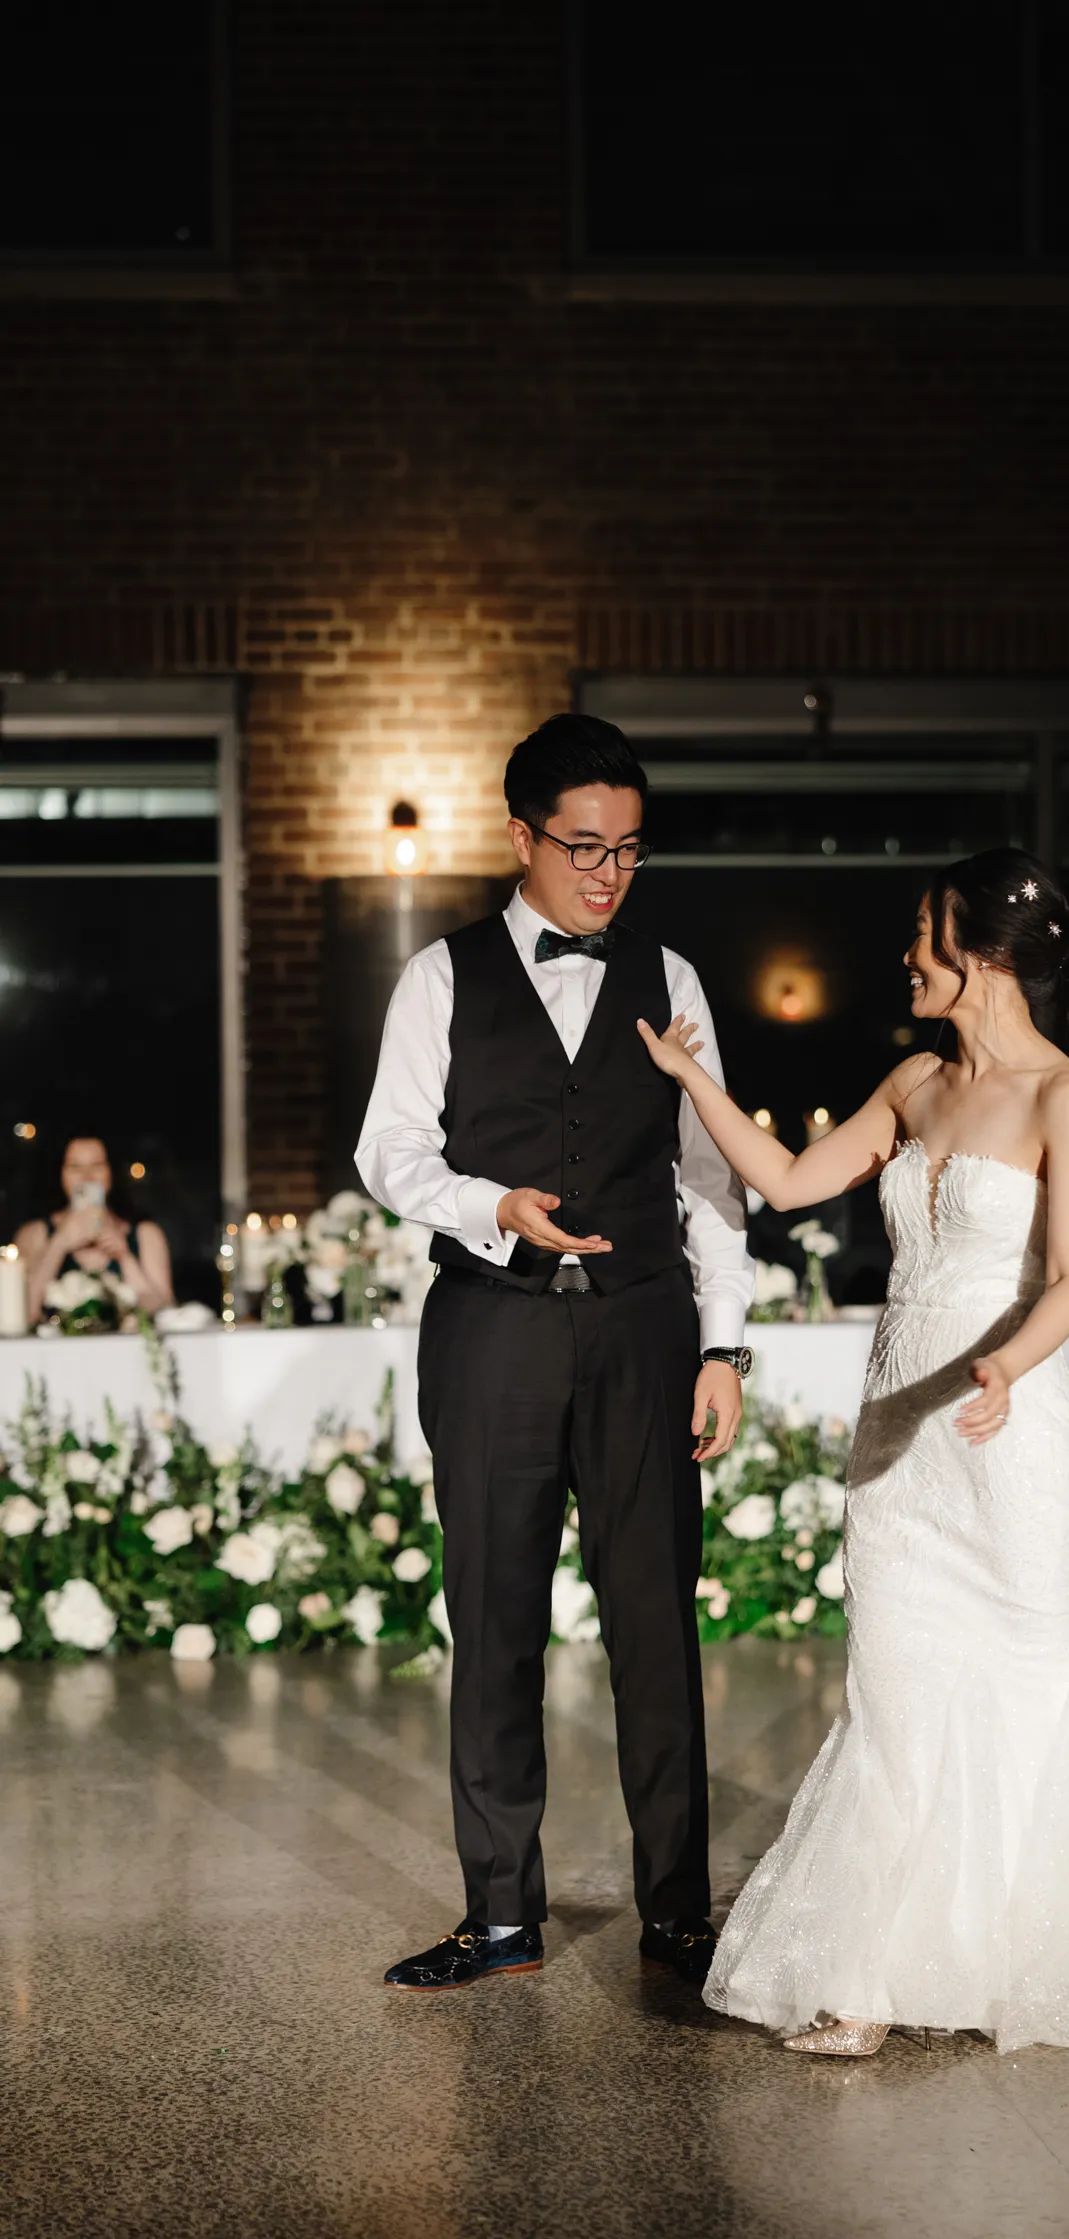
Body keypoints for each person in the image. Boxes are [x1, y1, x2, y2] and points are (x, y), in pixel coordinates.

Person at [638, 848, 1069, 2056]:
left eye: (922, 932)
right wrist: (697, 1082)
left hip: (1002, 1434)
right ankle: (864, 1981)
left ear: (980, 955)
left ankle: (1000, 1961)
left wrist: (1008, 1364)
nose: (904, 953)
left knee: (1012, 1682)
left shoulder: (1063, 1096)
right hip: (897, 1436)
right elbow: (794, 1181)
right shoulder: (911, 1080)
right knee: (894, 1697)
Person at [356, 714, 754, 1992]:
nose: (607, 876)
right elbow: (390, 1153)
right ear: (519, 835)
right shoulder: (439, 977)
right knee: (495, 1622)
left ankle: (678, 1913)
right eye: (583, 848)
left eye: (630, 854)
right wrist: (492, 1208)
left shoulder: (673, 979)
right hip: (493, 1329)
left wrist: (725, 1342)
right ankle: (503, 1915)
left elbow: (710, 1179)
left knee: (656, 1626)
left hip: (643, 1325)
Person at [16, 1134, 175, 1327]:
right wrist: (58, 1244)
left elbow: (166, 1315)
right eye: (75, 1167)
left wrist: (124, 1257)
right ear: (60, 1173)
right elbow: (22, 1315)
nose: (86, 1177)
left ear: (111, 1173)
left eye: (97, 1166)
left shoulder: (145, 1234)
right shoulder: (36, 1233)